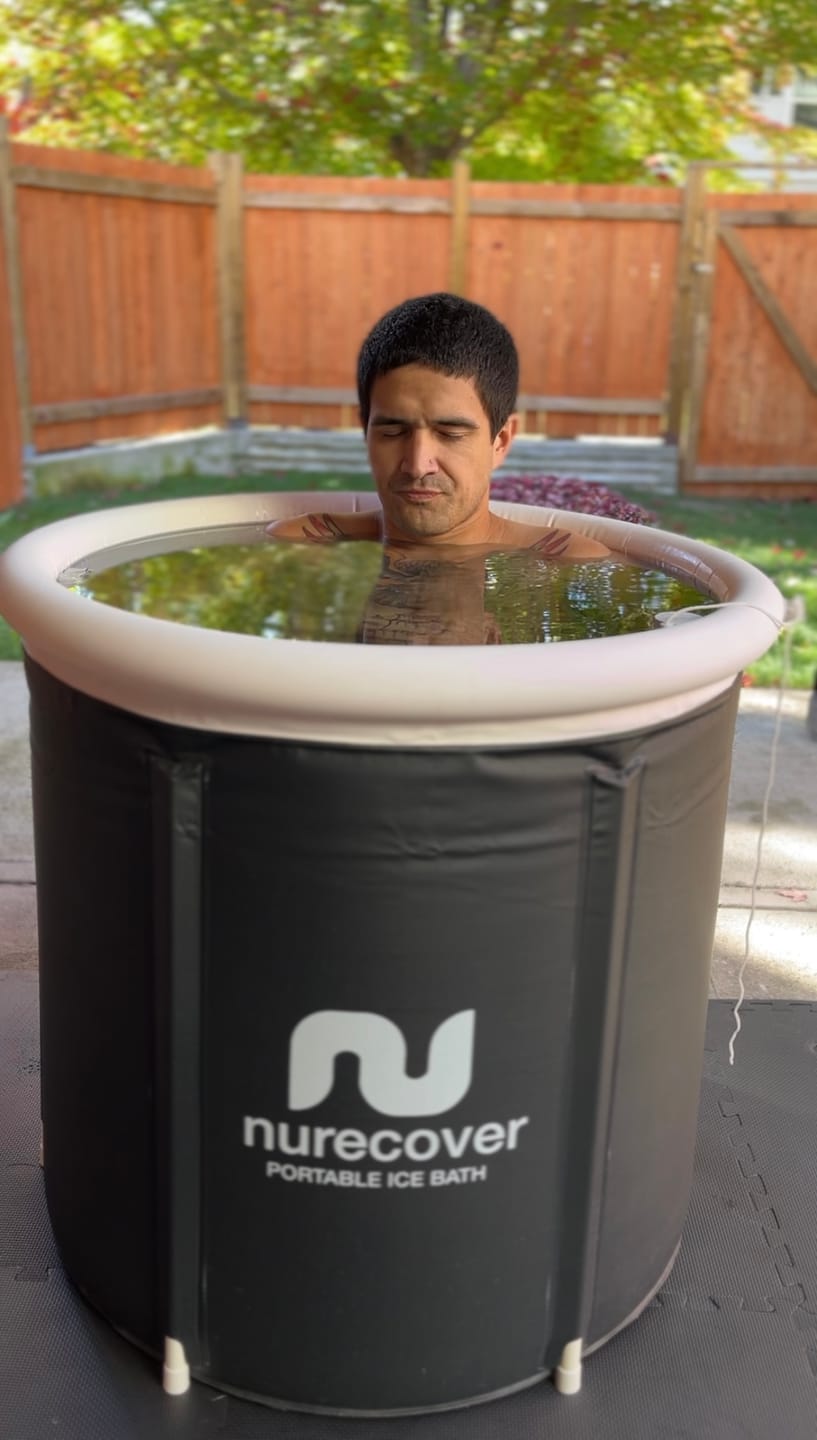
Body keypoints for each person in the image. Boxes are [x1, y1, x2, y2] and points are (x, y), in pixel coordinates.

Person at [266, 292, 609, 559]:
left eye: (450, 434)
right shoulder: (296, 545)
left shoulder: (570, 562)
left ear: (501, 441)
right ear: (365, 431)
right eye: (392, 432)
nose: (417, 465)